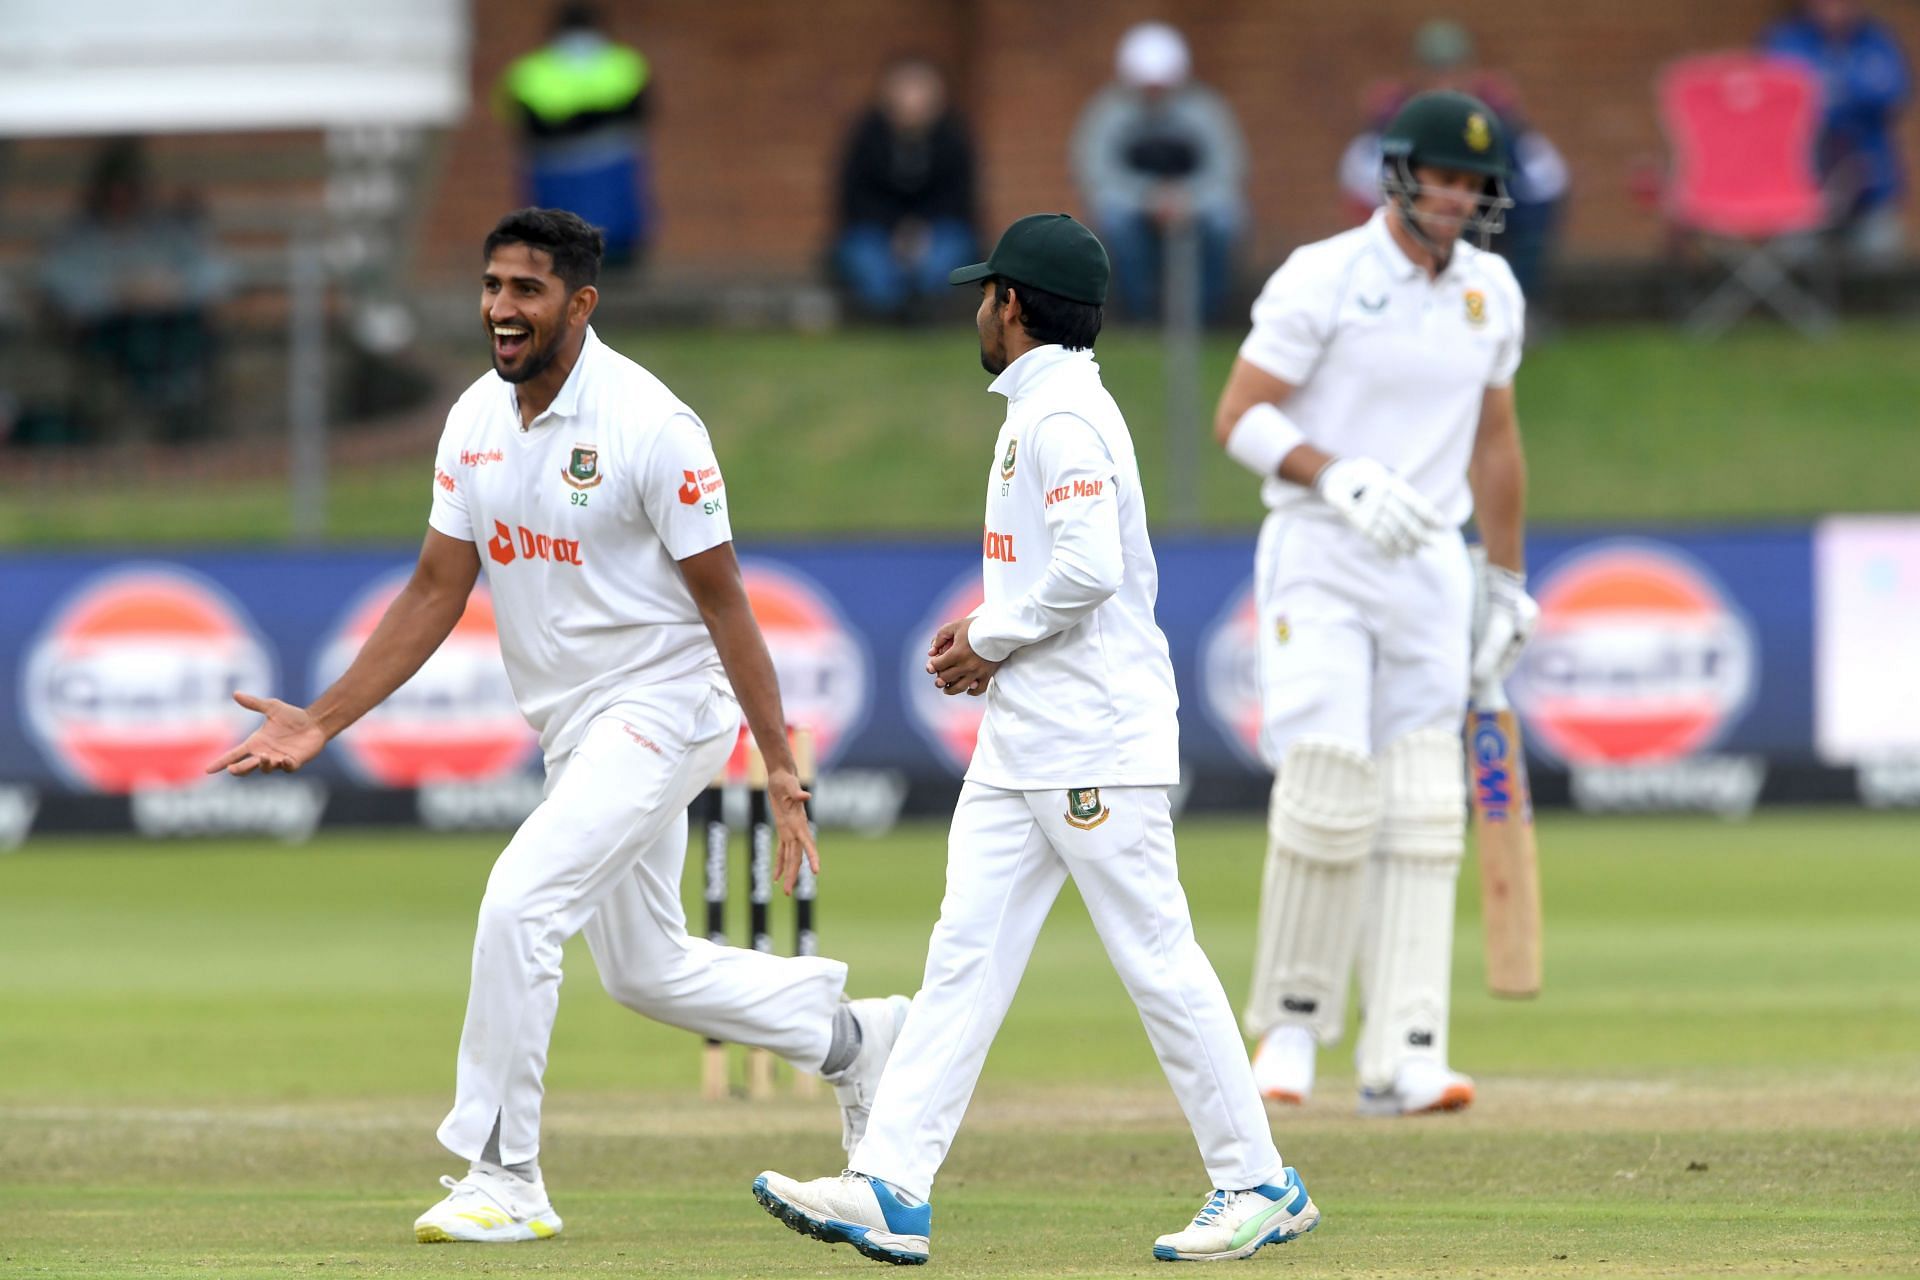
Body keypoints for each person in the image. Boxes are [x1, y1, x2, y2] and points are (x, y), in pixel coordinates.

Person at [207, 208, 907, 1245]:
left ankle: (506, 1174)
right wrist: (320, 720)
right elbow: (437, 589)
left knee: (519, 901)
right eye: (492, 285)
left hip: (665, 705)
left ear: (580, 303)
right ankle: (858, 1038)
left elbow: (726, 604)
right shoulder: (473, 420)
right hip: (577, 725)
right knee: (644, 968)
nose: (501, 308)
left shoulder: (654, 427)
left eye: (527, 290)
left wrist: (779, 759)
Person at [751, 214, 1320, 1266]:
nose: (977, 309)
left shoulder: (1064, 416)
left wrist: (989, 636)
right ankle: (892, 1184)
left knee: (1157, 960)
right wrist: (1002, 649)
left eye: (985, 293)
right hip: (1027, 743)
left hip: (1093, 738)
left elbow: (1091, 565)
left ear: (1011, 304)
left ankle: (1257, 1181)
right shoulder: (1043, 409)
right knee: (963, 959)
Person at [1212, 91, 1537, 1117]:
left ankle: (1407, 1044)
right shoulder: (1326, 275)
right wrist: (1335, 474)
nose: (1458, 196)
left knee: (1424, 797)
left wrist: (1507, 579)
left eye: (1474, 183)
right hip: (1323, 549)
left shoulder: (1491, 291)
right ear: (1400, 174)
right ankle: (1292, 1030)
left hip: (1434, 564)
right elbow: (1239, 415)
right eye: (1443, 176)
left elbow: (1495, 441)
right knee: (1327, 782)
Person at [1336, 20, 1568, 303]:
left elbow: (1543, 174)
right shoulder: (1398, 116)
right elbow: (1362, 170)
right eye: (1435, 70)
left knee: (1524, 225)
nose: (1445, 79)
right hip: (1416, 206)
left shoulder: (1495, 116)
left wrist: (1514, 202)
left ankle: (1518, 301)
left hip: (1487, 208)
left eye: (1453, 69)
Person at [38, 137, 232, 442]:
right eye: (114, 190)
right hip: (113, 329)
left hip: (171, 322)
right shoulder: (81, 237)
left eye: (128, 189)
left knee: (189, 333)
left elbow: (217, 274)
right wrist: (118, 293)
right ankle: (162, 412)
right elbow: (60, 285)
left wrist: (173, 288)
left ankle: (175, 412)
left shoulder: (165, 229)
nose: (121, 198)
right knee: (142, 337)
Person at [1070, 22, 1248, 322]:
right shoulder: (1108, 113)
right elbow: (1097, 175)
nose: (1154, 93)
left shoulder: (1205, 111)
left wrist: (1186, 199)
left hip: (1195, 205)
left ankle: (1205, 316)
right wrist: (1150, 198)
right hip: (1134, 207)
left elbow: (1227, 171)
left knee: (1225, 221)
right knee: (1115, 222)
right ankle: (1141, 315)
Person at [497, 4, 656, 266]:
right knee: (604, 246)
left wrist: (567, 125)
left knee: (564, 249)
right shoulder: (623, 64)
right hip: (600, 168)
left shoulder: (530, 71)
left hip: (560, 168)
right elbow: (639, 112)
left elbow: (522, 120)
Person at [1762, 0, 1912, 264]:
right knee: (1795, 253)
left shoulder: (1878, 40)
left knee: (1884, 252)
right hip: (1803, 183)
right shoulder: (1786, 39)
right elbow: (1777, 100)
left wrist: (1823, 91)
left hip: (1870, 187)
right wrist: (1849, 92)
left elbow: (1893, 92)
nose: (1836, 7)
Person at [832, 56, 980, 320]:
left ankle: (924, 309)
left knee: (944, 257)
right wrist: (895, 230)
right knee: (867, 261)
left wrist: (920, 230)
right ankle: (890, 313)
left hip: (937, 229)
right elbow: (855, 197)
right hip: (877, 231)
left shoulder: (952, 140)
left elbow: (959, 197)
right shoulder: (866, 139)